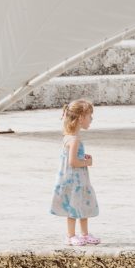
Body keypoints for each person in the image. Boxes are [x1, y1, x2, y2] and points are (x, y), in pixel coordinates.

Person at [50, 98, 99, 246]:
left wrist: (82, 157)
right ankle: (71, 235)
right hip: (74, 179)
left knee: (81, 204)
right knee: (73, 206)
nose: (91, 119)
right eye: (90, 116)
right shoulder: (74, 139)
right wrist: (87, 162)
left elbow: (72, 158)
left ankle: (84, 234)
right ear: (80, 118)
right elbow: (73, 162)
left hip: (76, 178)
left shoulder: (68, 137)